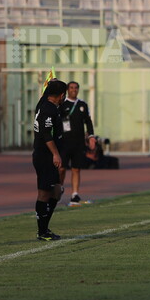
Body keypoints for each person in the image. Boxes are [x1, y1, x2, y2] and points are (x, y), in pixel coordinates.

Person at [32, 80, 68, 241]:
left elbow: (45, 93)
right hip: (45, 156)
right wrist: (55, 154)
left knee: (57, 191)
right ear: (61, 95)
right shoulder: (48, 110)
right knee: (45, 193)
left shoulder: (43, 103)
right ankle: (42, 231)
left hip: (45, 156)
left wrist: (50, 81)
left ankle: (44, 228)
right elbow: (46, 134)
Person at [59, 81, 95, 205]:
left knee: (76, 169)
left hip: (78, 142)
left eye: (76, 88)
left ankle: (75, 194)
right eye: (71, 88)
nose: (74, 90)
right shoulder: (62, 104)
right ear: (67, 90)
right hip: (64, 142)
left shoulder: (82, 105)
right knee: (62, 168)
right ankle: (59, 189)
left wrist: (91, 136)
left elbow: (88, 121)